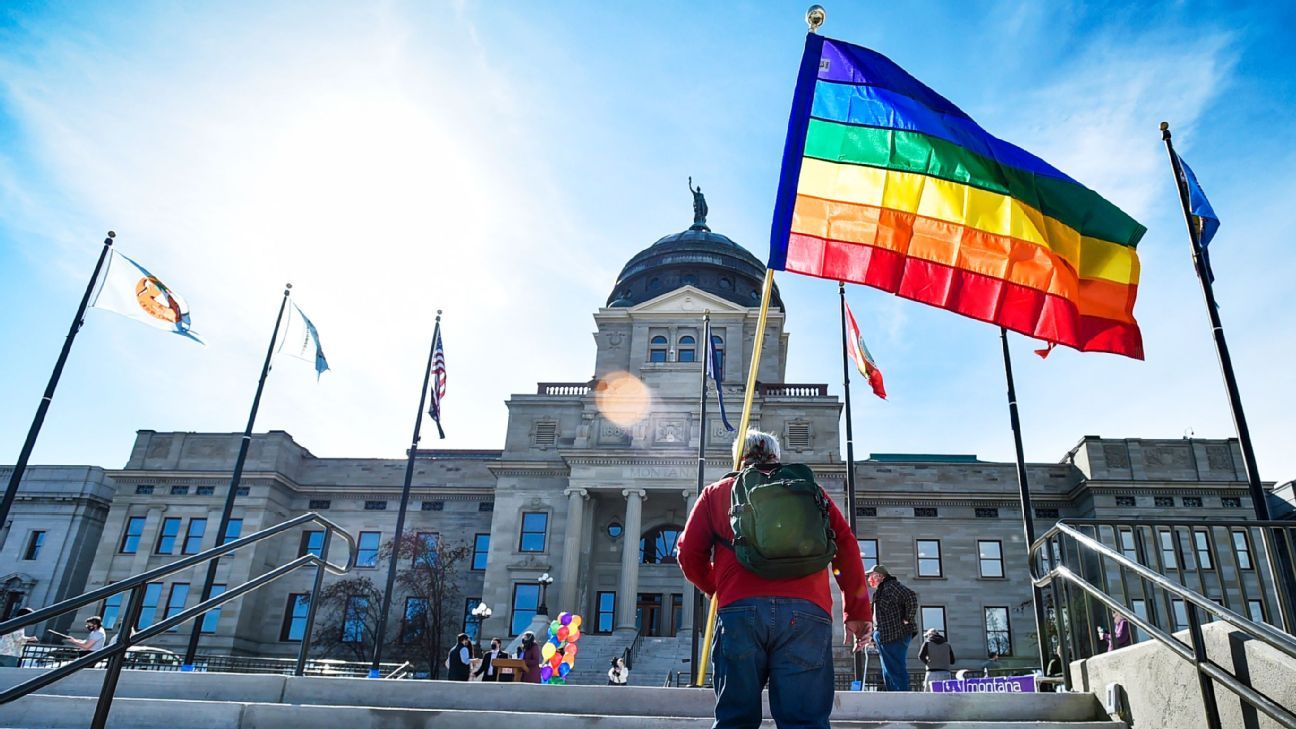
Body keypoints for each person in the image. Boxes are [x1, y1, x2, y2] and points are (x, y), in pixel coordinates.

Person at [679, 429, 871, 729]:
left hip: (740, 611)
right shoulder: (812, 492)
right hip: (808, 613)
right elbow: (846, 547)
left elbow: (689, 554)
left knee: (735, 721)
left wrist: (714, 587)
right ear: (777, 457)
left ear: (739, 458)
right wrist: (857, 611)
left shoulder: (717, 492)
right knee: (805, 722)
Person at [867, 565, 917, 691]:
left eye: (871, 576)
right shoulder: (882, 590)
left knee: (895, 668)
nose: (869, 579)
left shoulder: (891, 586)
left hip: (895, 634)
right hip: (885, 635)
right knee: (888, 669)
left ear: (880, 576)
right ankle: (894, 696)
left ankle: (902, 698)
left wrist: (907, 618)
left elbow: (910, 597)